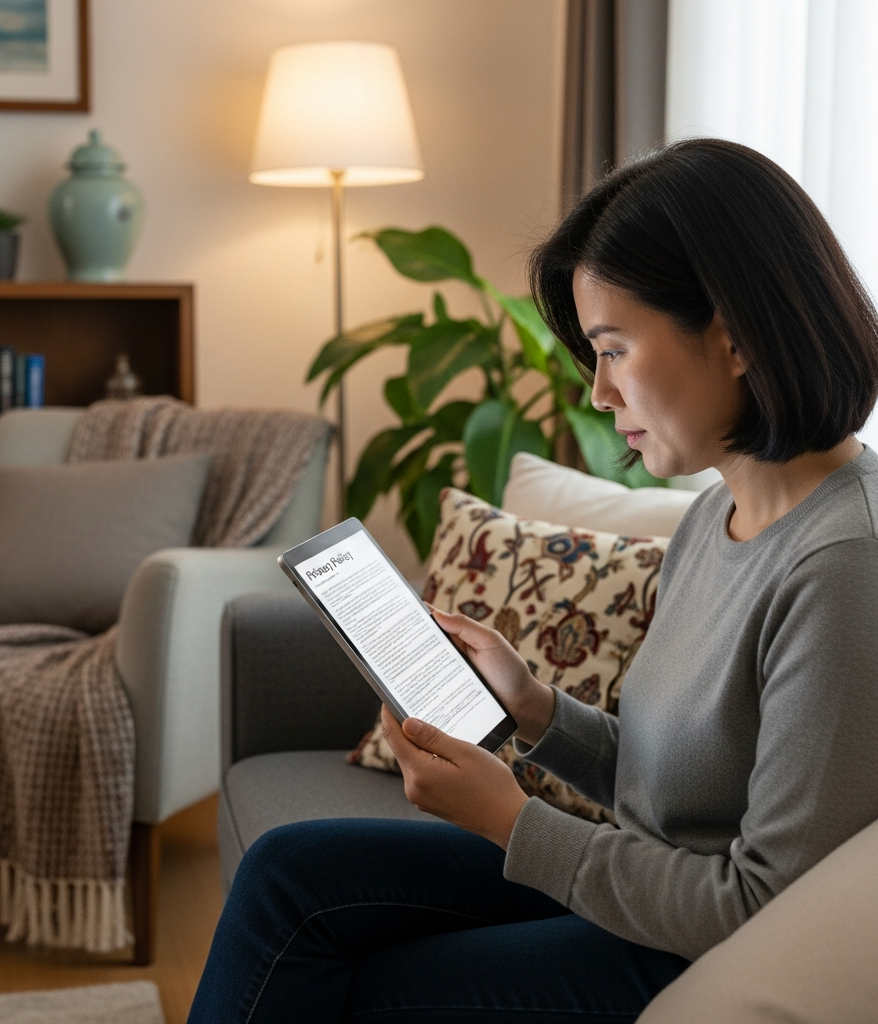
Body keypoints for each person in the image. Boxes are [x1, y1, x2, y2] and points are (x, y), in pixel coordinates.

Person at [187, 138, 878, 1023]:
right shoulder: (717, 514)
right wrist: (533, 707)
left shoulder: (845, 566)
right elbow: (673, 794)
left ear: (734, 335)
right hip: (644, 884)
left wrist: (512, 821)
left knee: (371, 993)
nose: (598, 393)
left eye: (614, 350)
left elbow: (765, 909)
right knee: (288, 874)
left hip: (695, 948)